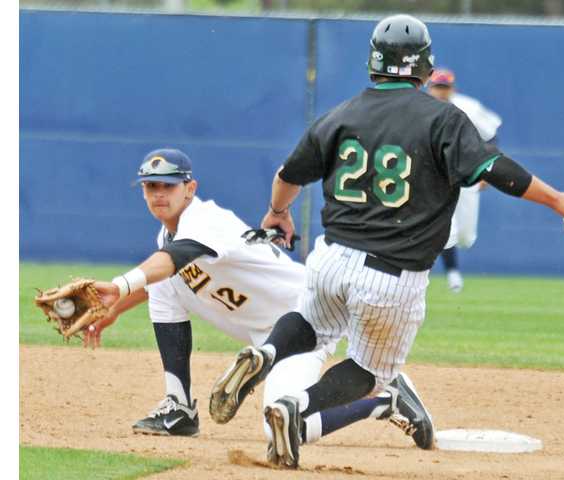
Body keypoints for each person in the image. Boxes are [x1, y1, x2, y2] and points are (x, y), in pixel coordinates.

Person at [207, 14, 564, 469]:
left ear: (373, 62)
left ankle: (266, 353)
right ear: (425, 66)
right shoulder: (443, 118)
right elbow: (494, 169)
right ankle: (297, 408)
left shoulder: (340, 114)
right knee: (371, 374)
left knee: (312, 323)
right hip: (391, 275)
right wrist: (558, 200)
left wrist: (277, 213)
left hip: (331, 257)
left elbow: (288, 175)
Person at [87, 148, 434, 450]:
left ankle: (384, 400)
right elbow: (161, 273)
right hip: (261, 333)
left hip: (303, 321)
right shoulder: (169, 234)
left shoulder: (206, 220)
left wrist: (119, 284)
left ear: (190, 189)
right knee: (164, 281)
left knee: (284, 426)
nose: (159, 193)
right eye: (151, 186)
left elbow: (172, 260)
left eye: (168, 185)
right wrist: (114, 307)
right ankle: (178, 406)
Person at [428, 68, 503, 293]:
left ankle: (448, 271)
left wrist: (488, 172)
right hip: (433, 176)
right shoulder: (419, 108)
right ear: (428, 87)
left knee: (465, 236)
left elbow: (491, 136)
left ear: (453, 88)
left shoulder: (467, 107)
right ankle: (450, 275)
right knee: (442, 226)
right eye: (437, 87)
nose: (441, 92)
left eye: (445, 87)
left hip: (466, 175)